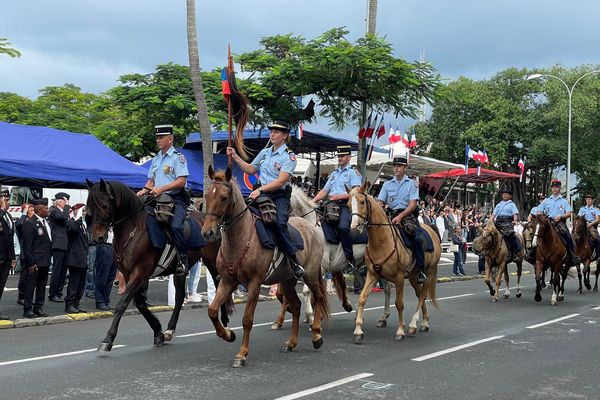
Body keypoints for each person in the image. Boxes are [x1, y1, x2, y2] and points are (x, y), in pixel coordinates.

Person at [227, 120, 304, 280]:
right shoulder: (265, 152)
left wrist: (260, 190)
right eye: (272, 131)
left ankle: (294, 260)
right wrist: (234, 156)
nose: (273, 134)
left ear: (285, 136)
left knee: (279, 223)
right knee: (239, 217)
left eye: (277, 132)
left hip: (278, 196)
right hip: (260, 193)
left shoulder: (289, 156)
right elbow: (250, 169)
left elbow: (281, 181)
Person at [137, 124, 191, 276]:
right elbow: (151, 181)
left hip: (175, 198)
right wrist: (143, 191)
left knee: (175, 226)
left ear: (170, 139)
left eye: (161, 137)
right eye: (157, 137)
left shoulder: (178, 158)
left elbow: (181, 181)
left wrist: (162, 188)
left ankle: (182, 258)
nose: (158, 140)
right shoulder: (156, 159)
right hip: (156, 198)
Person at [312, 145, 362, 273]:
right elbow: (324, 190)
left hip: (345, 205)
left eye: (342, 156)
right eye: (339, 156)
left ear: (349, 157)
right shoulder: (334, 174)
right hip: (330, 204)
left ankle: (349, 260)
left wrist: (339, 196)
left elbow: (356, 192)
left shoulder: (353, 173)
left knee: (343, 228)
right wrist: (312, 202)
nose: (340, 158)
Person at [377, 156, 426, 284]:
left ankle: (421, 269)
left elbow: (413, 204)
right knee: (374, 233)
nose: (396, 168)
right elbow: (380, 202)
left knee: (417, 239)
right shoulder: (387, 184)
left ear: (405, 168)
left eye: (399, 166)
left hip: (407, 216)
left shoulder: (412, 183)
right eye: (394, 166)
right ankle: (370, 264)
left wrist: (400, 216)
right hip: (390, 215)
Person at [535, 179, 580, 266]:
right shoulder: (546, 201)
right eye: (553, 187)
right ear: (551, 189)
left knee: (567, 235)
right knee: (537, 233)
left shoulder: (564, 201)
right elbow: (538, 210)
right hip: (547, 222)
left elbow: (569, 213)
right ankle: (533, 253)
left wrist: (561, 217)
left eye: (557, 187)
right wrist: (542, 216)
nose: (555, 189)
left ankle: (573, 255)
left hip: (559, 222)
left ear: (559, 188)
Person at [21, 198, 52, 318]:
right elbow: (27, 246)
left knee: (41, 285)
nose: (48, 210)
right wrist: (31, 263)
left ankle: (38, 306)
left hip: (45, 261)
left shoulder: (46, 222)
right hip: (34, 262)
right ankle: (27, 308)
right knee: (30, 285)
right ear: (39, 209)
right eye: (45, 208)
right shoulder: (30, 223)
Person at [64, 205, 89, 313]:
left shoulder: (82, 225)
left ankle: (76, 303)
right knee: (74, 283)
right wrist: (77, 217)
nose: (83, 213)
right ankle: (69, 304)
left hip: (82, 258)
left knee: (81, 284)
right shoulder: (71, 222)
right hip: (74, 258)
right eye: (81, 211)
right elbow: (72, 229)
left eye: (83, 211)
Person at [48, 192, 71, 302]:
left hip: (66, 244)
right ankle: (53, 293)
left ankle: (59, 292)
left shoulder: (63, 212)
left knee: (63, 271)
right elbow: (62, 219)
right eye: (65, 202)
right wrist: (67, 207)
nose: (66, 204)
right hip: (58, 244)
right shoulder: (54, 212)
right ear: (60, 202)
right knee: (57, 270)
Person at [492, 188, 524, 257]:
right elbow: (493, 215)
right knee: (487, 232)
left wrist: (514, 220)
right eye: (503, 194)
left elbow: (515, 214)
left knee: (510, 234)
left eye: (506, 194)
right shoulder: (498, 204)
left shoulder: (512, 205)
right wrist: (489, 222)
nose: (504, 196)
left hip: (507, 221)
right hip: (498, 221)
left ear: (510, 196)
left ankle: (515, 251)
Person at [0, 189, 16, 319]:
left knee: (1, 285)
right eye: (5, 200)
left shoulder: (8, 216)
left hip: (6, 257)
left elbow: (10, 239)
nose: (7, 203)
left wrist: (12, 257)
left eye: (7, 200)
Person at [94, 228, 117, 311]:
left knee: (111, 276)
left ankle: (106, 300)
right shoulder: (103, 222)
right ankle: (100, 301)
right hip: (104, 245)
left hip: (114, 246)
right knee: (102, 275)